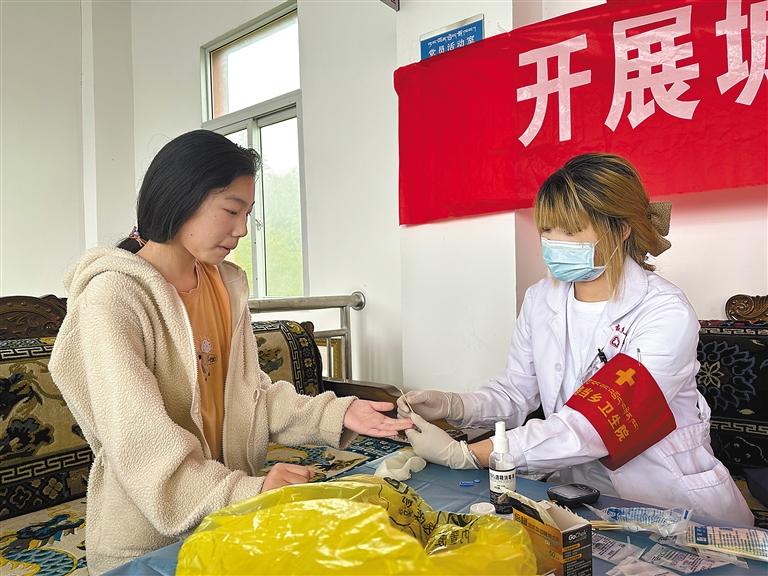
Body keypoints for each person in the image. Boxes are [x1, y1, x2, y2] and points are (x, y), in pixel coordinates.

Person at [49, 130, 413, 573]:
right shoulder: (113, 298)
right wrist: (250, 491)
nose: (241, 230)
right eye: (231, 210)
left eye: (247, 214)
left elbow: (251, 398)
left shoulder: (225, 285)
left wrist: (338, 412)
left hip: (228, 525)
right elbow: (140, 444)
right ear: (181, 197)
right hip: (149, 544)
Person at [399, 153, 753, 526]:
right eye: (547, 229)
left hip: (664, 498)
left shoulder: (664, 311)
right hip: (576, 495)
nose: (553, 242)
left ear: (621, 229)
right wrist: (454, 405)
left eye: (570, 231)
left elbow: (597, 424)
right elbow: (516, 392)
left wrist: (471, 454)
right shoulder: (541, 299)